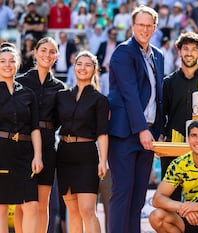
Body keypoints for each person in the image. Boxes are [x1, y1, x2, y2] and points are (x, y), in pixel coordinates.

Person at [107, 5, 164, 233]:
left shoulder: (158, 55)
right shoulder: (123, 52)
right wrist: (141, 129)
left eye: (149, 25)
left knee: (139, 196)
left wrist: (159, 129)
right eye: (140, 24)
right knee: (123, 194)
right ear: (132, 26)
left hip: (148, 133)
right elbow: (129, 93)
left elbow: (159, 95)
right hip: (125, 134)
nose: (144, 29)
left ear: (155, 27)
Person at [15, 37, 65, 233]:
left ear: (57, 56)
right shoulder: (20, 81)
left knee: (43, 204)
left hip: (48, 145)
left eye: (52, 51)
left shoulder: (60, 87)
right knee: (23, 203)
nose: (47, 55)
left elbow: (62, 118)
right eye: (43, 50)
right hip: (23, 146)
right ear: (35, 52)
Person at [56, 50, 109, 233]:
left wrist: (103, 160)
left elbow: (102, 132)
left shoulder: (100, 100)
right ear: (73, 67)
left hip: (87, 155)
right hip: (63, 154)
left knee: (87, 210)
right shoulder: (62, 96)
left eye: (88, 65)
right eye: (79, 64)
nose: (82, 68)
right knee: (73, 211)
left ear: (95, 70)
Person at [0, 44, 43, 233]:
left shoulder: (28, 93)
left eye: (11, 61)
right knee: (0, 207)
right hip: (2, 151)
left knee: (31, 205)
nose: (7, 65)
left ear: (18, 64)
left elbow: (35, 128)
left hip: (25, 154)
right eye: (2, 61)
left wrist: (38, 156)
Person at [161, 31, 198, 202]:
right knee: (170, 200)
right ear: (178, 51)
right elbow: (162, 114)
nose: (189, 53)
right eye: (185, 49)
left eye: (194, 49)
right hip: (173, 147)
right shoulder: (168, 82)